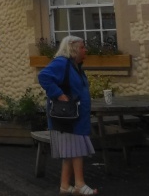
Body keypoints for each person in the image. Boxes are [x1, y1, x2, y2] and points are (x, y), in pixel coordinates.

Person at [37, 36, 97, 196]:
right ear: (73, 48)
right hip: (67, 117)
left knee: (71, 151)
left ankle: (64, 185)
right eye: (83, 47)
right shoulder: (62, 62)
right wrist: (60, 95)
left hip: (76, 116)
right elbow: (43, 76)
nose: (85, 50)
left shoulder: (75, 66)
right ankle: (79, 184)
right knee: (76, 150)